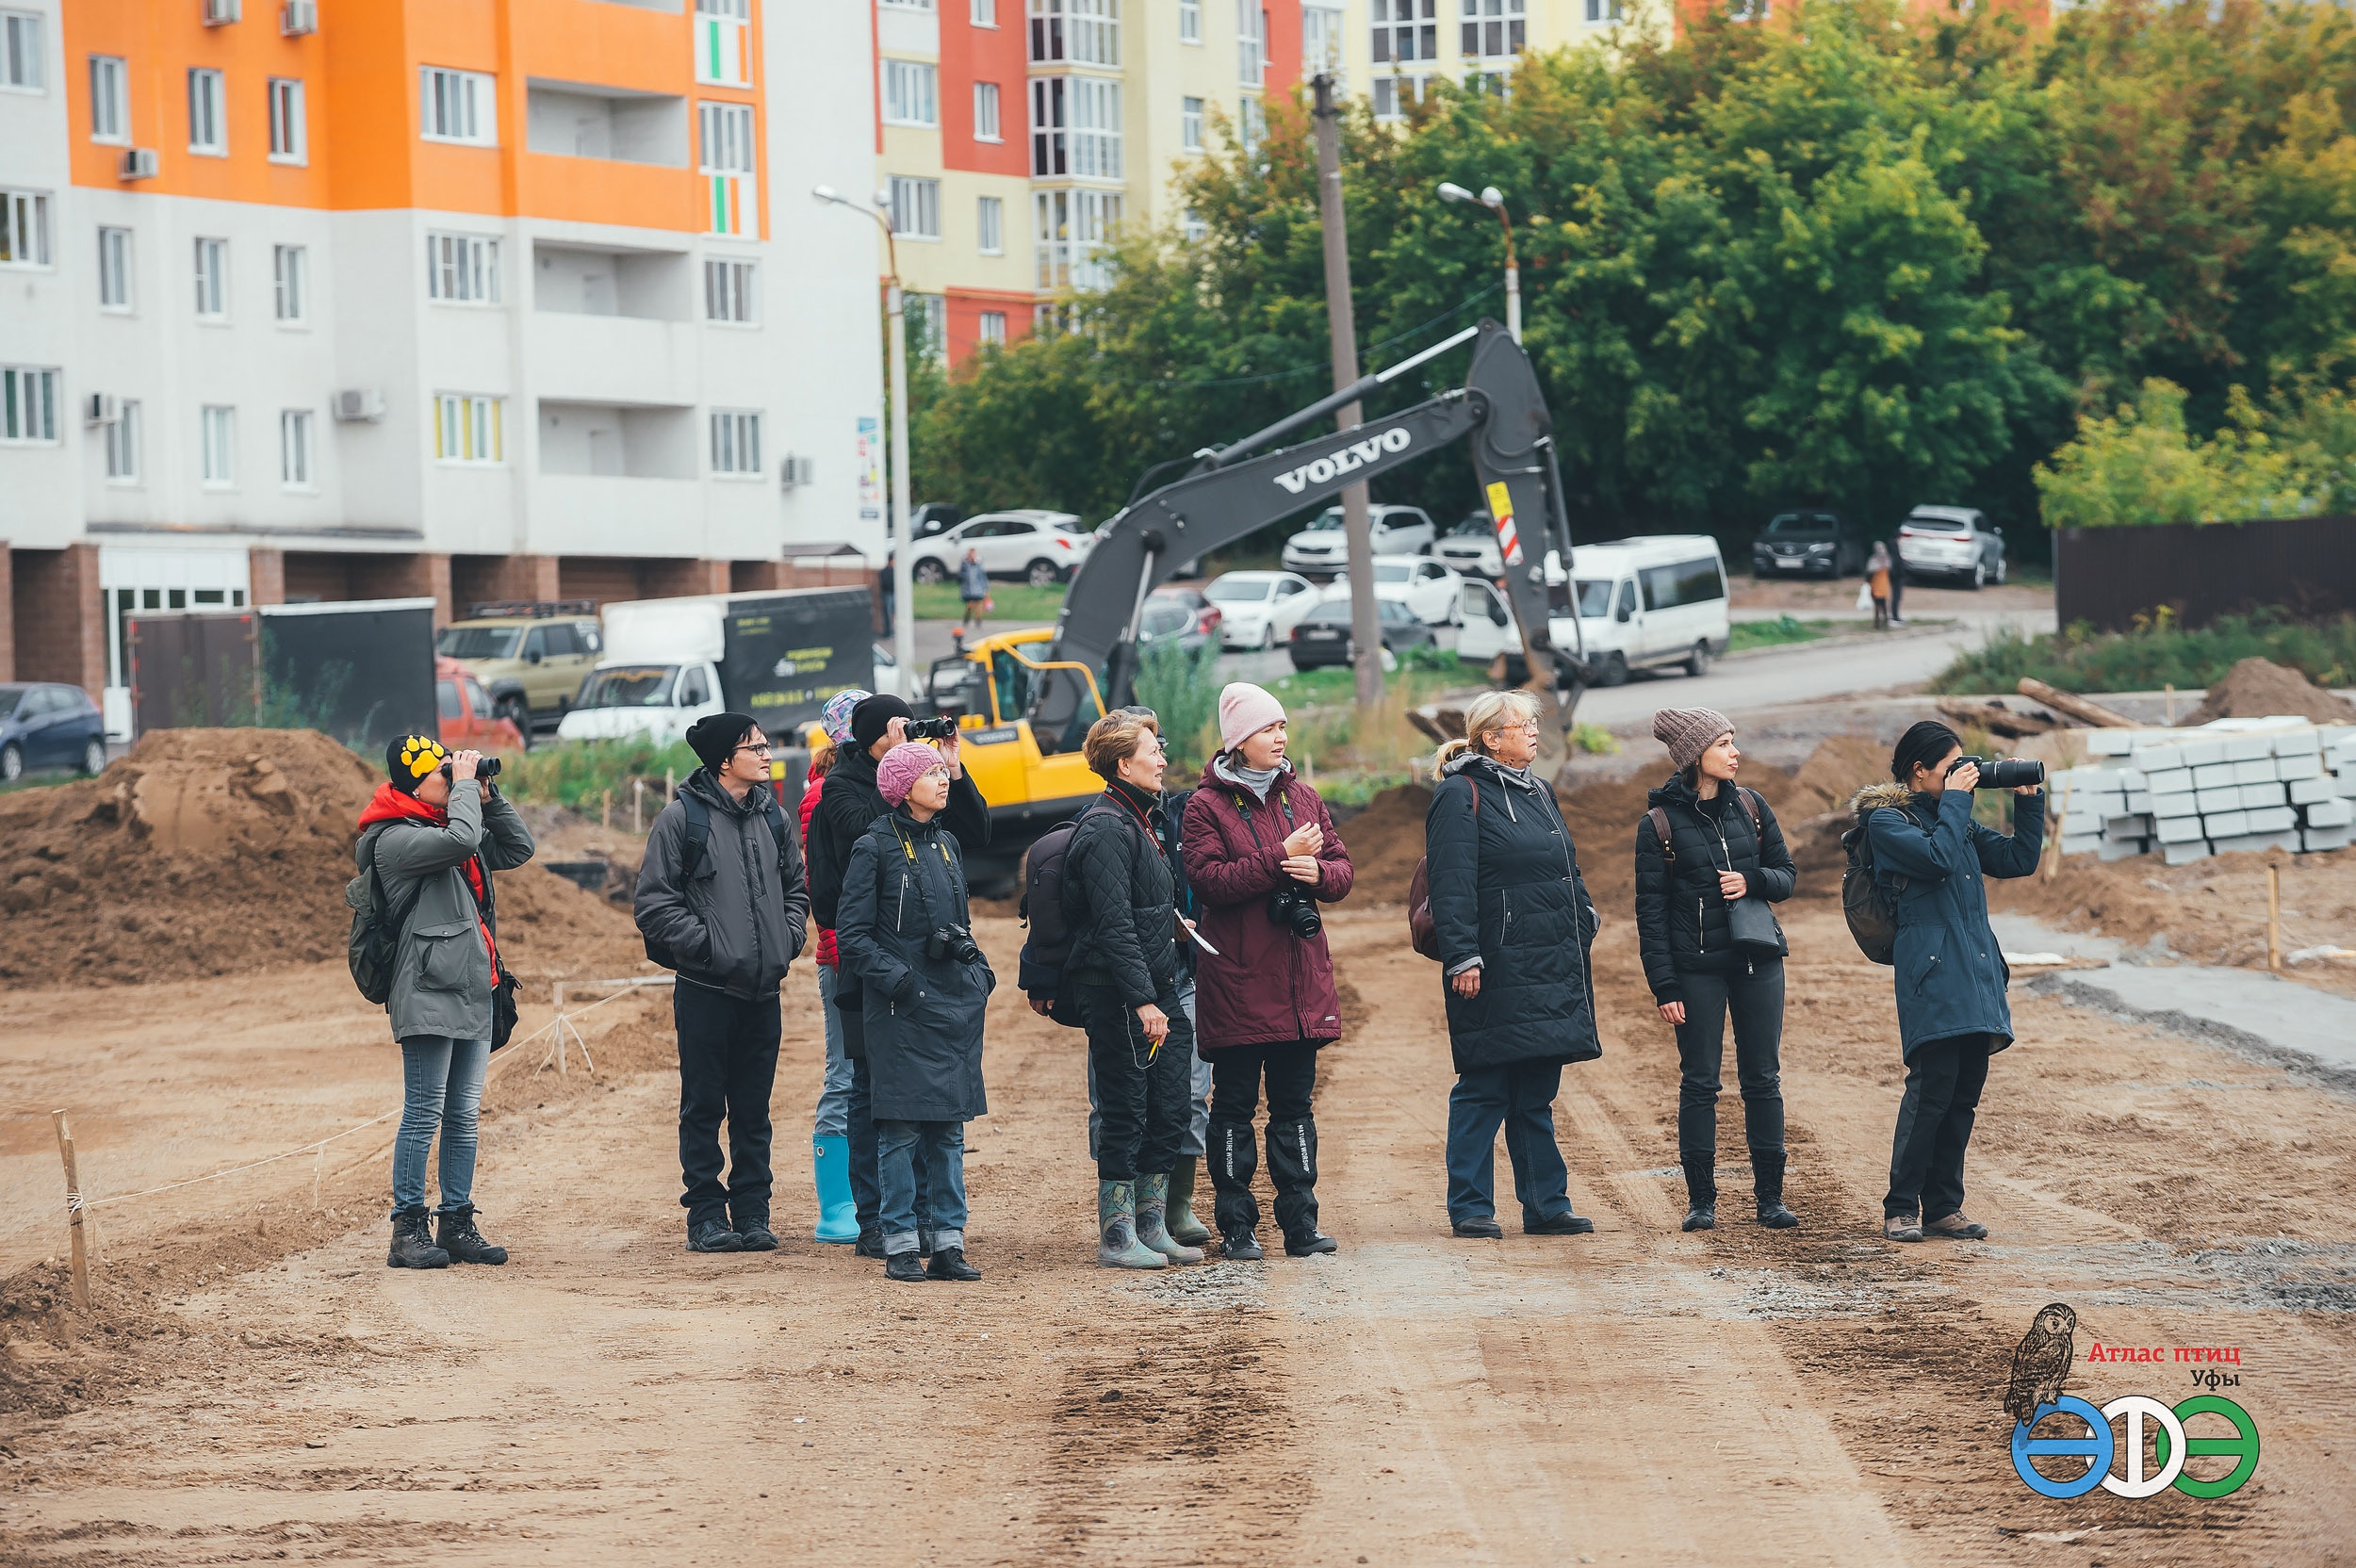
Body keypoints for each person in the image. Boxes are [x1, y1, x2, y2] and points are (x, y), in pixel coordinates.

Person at [807, 693, 990, 1256]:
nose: (911, 732)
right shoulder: (841, 790)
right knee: (870, 1093)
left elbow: (974, 833)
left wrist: (953, 768)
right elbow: (878, 845)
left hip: (932, 980)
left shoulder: (934, 807)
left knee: (933, 1103)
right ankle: (876, 1221)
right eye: (899, 726)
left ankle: (928, 1221)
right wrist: (903, 766)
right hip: (868, 974)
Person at [1857, 720, 2044, 1242]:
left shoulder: (1953, 818)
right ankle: (1901, 1207)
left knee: (1963, 1096)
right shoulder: (1887, 822)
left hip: (1976, 970)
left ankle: (1942, 1206)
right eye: (1951, 767)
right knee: (1931, 1094)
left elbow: (2018, 860)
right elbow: (1936, 859)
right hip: (1933, 974)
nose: (1963, 774)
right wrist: (1959, 802)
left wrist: (2027, 802)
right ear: (1919, 771)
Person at [1184, 683, 1352, 1260]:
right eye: (1267, 729)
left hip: (1299, 983)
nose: (1280, 737)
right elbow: (1209, 883)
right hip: (1236, 982)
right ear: (1238, 741)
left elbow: (1342, 869)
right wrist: (1282, 857)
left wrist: (1318, 874)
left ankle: (1301, 1226)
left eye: (1282, 726)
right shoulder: (1204, 807)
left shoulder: (1303, 797)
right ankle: (1237, 1228)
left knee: (1294, 1107)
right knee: (1233, 1107)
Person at [1425, 690, 1602, 1239]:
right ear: (1491, 738)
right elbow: (1451, 882)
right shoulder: (1460, 794)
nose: (1534, 731)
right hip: (1494, 963)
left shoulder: (1540, 791)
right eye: (1524, 725)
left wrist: (1585, 915)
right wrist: (1463, 956)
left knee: (1536, 1091)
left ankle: (1546, 1205)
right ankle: (1471, 1207)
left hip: (1551, 960)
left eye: (1533, 723)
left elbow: (1566, 866)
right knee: (1484, 1088)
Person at [634, 711, 810, 1254]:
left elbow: (796, 889)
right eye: (755, 747)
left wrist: (787, 938)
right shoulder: (680, 821)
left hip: (764, 992)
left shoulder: (774, 817)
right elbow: (653, 905)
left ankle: (753, 1213)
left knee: (754, 1111)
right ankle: (707, 1217)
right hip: (706, 990)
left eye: (765, 744)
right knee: (704, 1107)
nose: (767, 754)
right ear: (724, 761)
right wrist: (712, 949)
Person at [358, 734, 534, 1269]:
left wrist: (487, 794)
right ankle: (407, 1229)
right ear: (416, 785)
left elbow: (518, 847)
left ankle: (457, 1222)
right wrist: (463, 791)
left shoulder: (451, 824)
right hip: (427, 991)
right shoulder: (395, 839)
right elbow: (462, 840)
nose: (454, 778)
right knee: (424, 1113)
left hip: (474, 988)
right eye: (443, 773)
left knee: (463, 1116)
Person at [1634, 707, 1800, 1233]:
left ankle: (1770, 1200)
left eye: (1733, 741)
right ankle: (1701, 1202)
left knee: (1763, 1079)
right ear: (1694, 755)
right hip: (1696, 970)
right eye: (1724, 743)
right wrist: (1664, 985)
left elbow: (1787, 874)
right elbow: (1651, 915)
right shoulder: (1658, 826)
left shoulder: (1752, 806)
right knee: (1700, 1082)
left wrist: (1753, 881)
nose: (1735, 752)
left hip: (1758, 960)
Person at [1063, 709, 1198, 1269]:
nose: (1163, 759)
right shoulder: (1105, 828)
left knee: (1169, 1106)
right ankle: (1117, 1236)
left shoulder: (1139, 819)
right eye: (1153, 750)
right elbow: (1113, 924)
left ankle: (1151, 1224)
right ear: (1123, 764)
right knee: (1126, 1111)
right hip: (1118, 994)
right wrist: (1142, 1000)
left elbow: (1140, 911)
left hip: (1155, 986)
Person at [798, 689, 870, 1244]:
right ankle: (837, 1204)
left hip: (873, 954)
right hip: (843, 954)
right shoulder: (825, 795)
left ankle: (870, 1195)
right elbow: (826, 882)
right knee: (844, 1072)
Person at [957, 547, 990, 630]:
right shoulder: (964, 564)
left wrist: (986, 589)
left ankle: (978, 622)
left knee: (979, 606)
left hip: (978, 589)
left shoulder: (979, 564)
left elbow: (983, 577)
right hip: (968, 590)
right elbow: (960, 577)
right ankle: (966, 619)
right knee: (970, 605)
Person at [1867, 542, 1893, 631]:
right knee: (1877, 604)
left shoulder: (1887, 559)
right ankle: (1877, 622)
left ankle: (1885, 621)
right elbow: (1870, 570)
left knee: (1884, 604)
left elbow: (1889, 567)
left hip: (1884, 584)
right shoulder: (1873, 560)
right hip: (1876, 584)